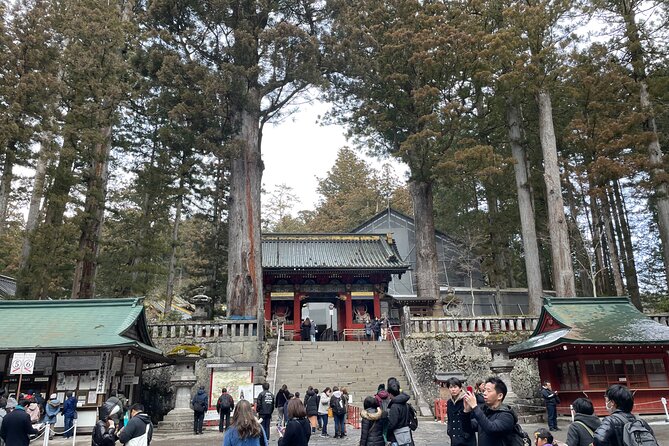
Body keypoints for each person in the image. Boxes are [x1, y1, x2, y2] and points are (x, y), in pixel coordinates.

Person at [462, 376, 516, 446]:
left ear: (500, 396)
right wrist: (466, 411)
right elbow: (468, 428)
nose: (484, 393)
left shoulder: (506, 415)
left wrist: (475, 407)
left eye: (488, 390)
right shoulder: (486, 411)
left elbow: (491, 429)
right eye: (484, 390)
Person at [446, 377, 476, 446]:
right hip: (454, 437)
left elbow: (473, 418)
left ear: (460, 388)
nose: (453, 389)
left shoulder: (467, 400)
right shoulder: (449, 402)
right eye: (451, 387)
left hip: (466, 437)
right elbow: (450, 418)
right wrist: (449, 430)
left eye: (455, 387)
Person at [386, 378, 413, 446]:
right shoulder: (405, 404)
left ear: (390, 394)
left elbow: (392, 423)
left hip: (396, 437)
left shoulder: (395, 406)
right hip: (406, 435)